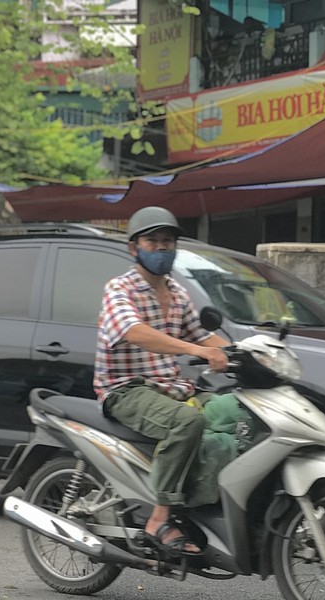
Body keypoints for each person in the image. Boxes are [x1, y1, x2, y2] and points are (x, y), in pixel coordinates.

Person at [95, 206, 230, 555]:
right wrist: (198, 352)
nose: (161, 248)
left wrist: (244, 352)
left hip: (171, 389)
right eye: (152, 242)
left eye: (167, 242)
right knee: (187, 421)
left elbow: (203, 336)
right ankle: (159, 518)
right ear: (133, 248)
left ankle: (202, 504)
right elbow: (135, 332)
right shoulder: (119, 289)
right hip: (126, 389)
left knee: (235, 415)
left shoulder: (177, 292)